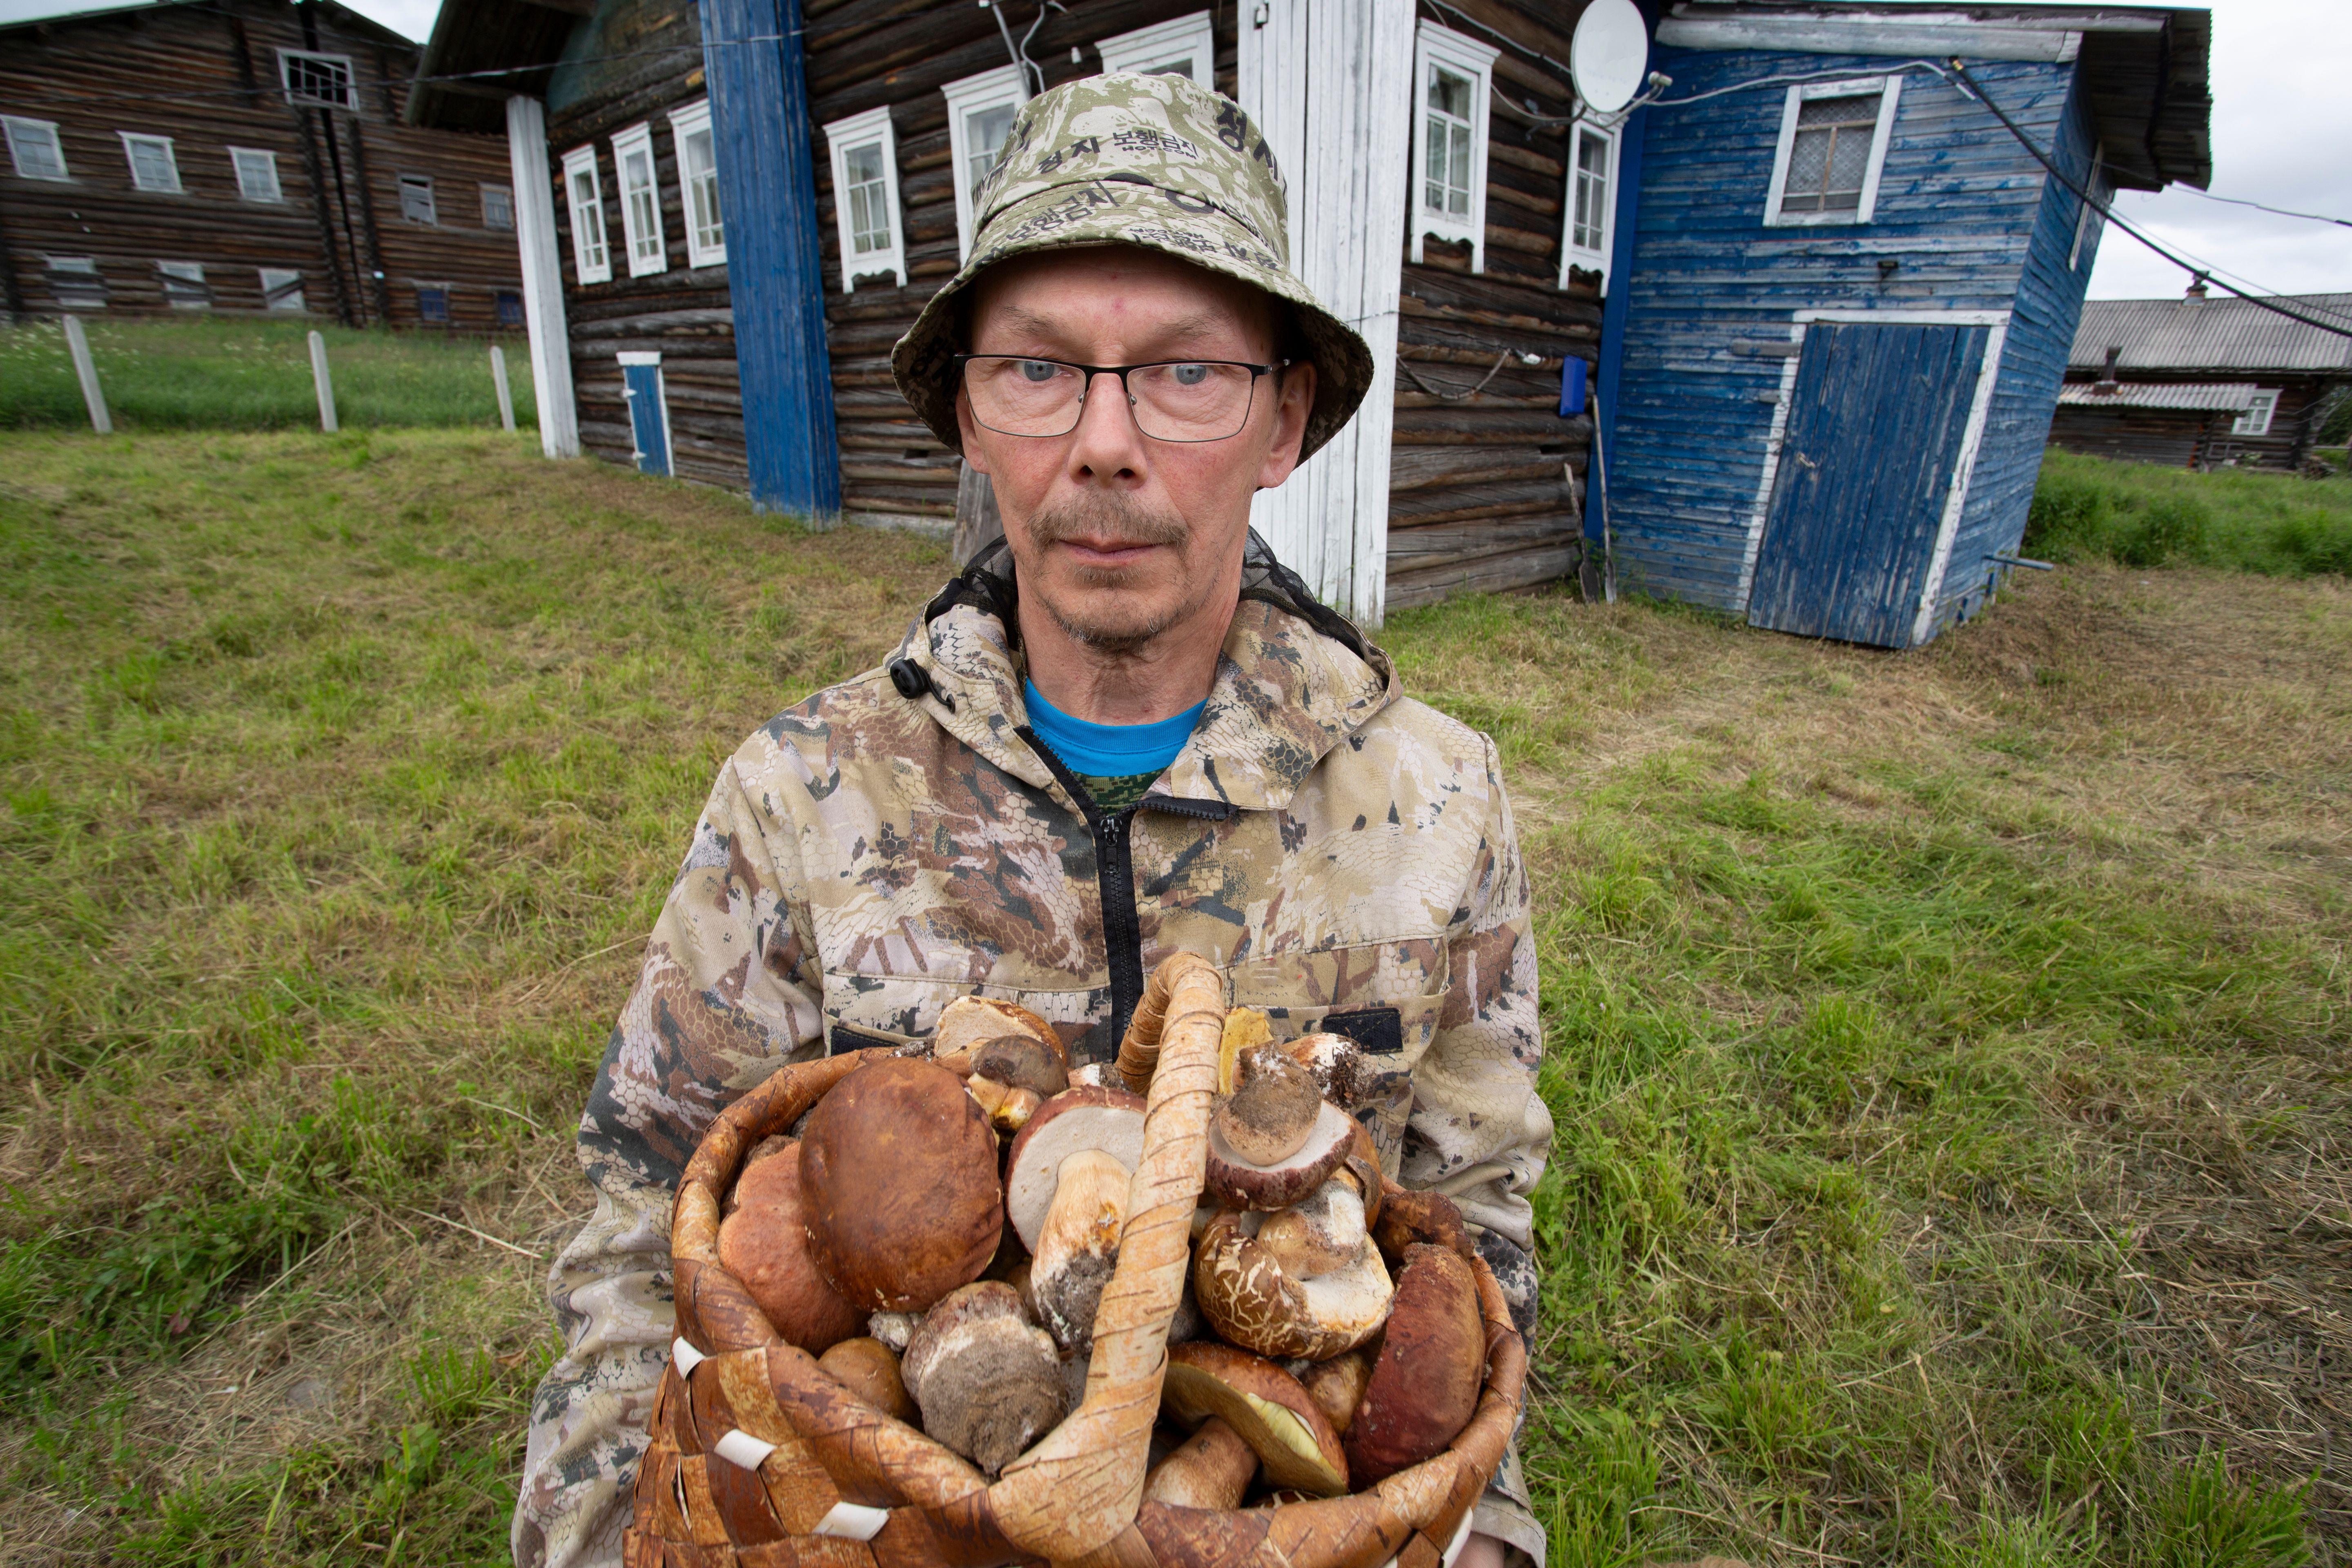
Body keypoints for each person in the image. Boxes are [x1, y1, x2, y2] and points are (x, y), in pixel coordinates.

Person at [513, 71, 1554, 1568]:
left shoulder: (1436, 806)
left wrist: (1471, 1540)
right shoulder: (802, 793)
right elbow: (638, 1233)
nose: (1107, 444)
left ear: (1283, 417)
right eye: (1040, 370)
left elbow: (1480, 1245)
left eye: (1187, 372)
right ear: (969, 417)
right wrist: (609, 1534)